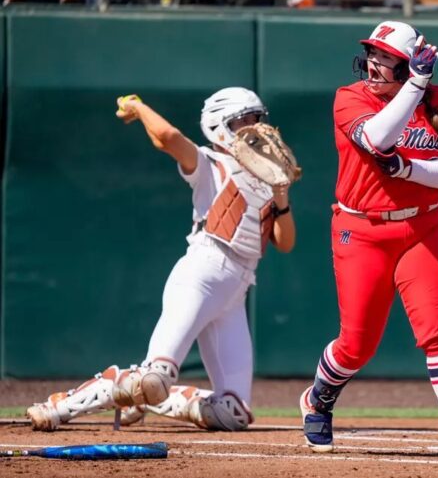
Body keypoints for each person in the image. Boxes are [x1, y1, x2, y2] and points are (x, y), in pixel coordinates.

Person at [26, 87, 296, 432]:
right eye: (244, 120)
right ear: (219, 126)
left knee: (233, 412)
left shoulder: (268, 179)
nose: (254, 127)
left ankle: (147, 399)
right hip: (203, 271)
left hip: (236, 289)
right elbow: (167, 137)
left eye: (257, 118)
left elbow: (285, 242)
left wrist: (281, 194)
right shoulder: (208, 162)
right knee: (154, 377)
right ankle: (62, 405)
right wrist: (139, 108)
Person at [298, 20, 438, 464]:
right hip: (360, 230)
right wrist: (415, 84)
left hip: (423, 227)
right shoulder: (350, 97)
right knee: (357, 344)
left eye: (386, 58)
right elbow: (378, 138)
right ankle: (319, 397)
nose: (375, 63)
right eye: (373, 54)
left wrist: (410, 170)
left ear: (408, 65)